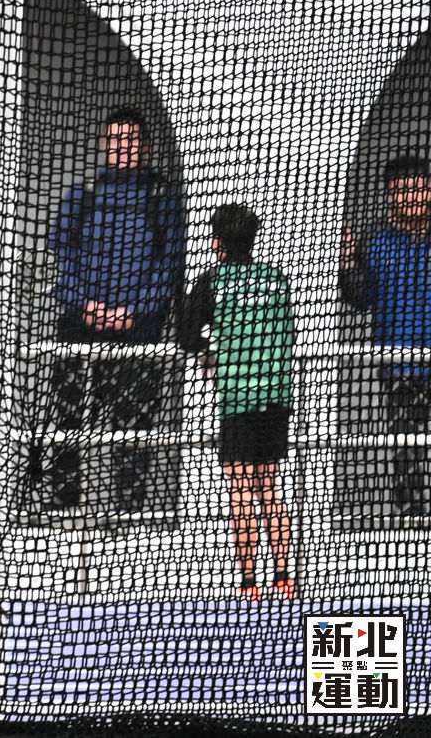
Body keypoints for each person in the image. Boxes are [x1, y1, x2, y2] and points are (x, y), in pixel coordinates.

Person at [35, 107, 185, 512]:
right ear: (104, 144)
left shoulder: (163, 199)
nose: (123, 148)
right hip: (78, 325)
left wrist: (133, 311)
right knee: (67, 415)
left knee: (133, 419)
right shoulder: (82, 195)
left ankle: (128, 508)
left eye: (131, 140)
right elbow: (59, 260)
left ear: (146, 146)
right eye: (116, 140)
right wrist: (85, 306)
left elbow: (170, 266)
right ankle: (64, 502)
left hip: (139, 330)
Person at [179, 204, 295, 601]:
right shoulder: (276, 279)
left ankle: (249, 584)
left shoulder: (212, 280)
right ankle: (283, 578)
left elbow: (186, 334)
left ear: (218, 242)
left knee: (241, 488)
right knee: (270, 487)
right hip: (277, 396)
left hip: (237, 398)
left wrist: (209, 353)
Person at [341, 155, 431, 516]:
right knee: (407, 444)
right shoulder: (375, 240)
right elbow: (360, 299)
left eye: (417, 188)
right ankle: (411, 513)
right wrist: (349, 262)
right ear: (390, 195)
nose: (410, 197)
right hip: (400, 364)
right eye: (401, 190)